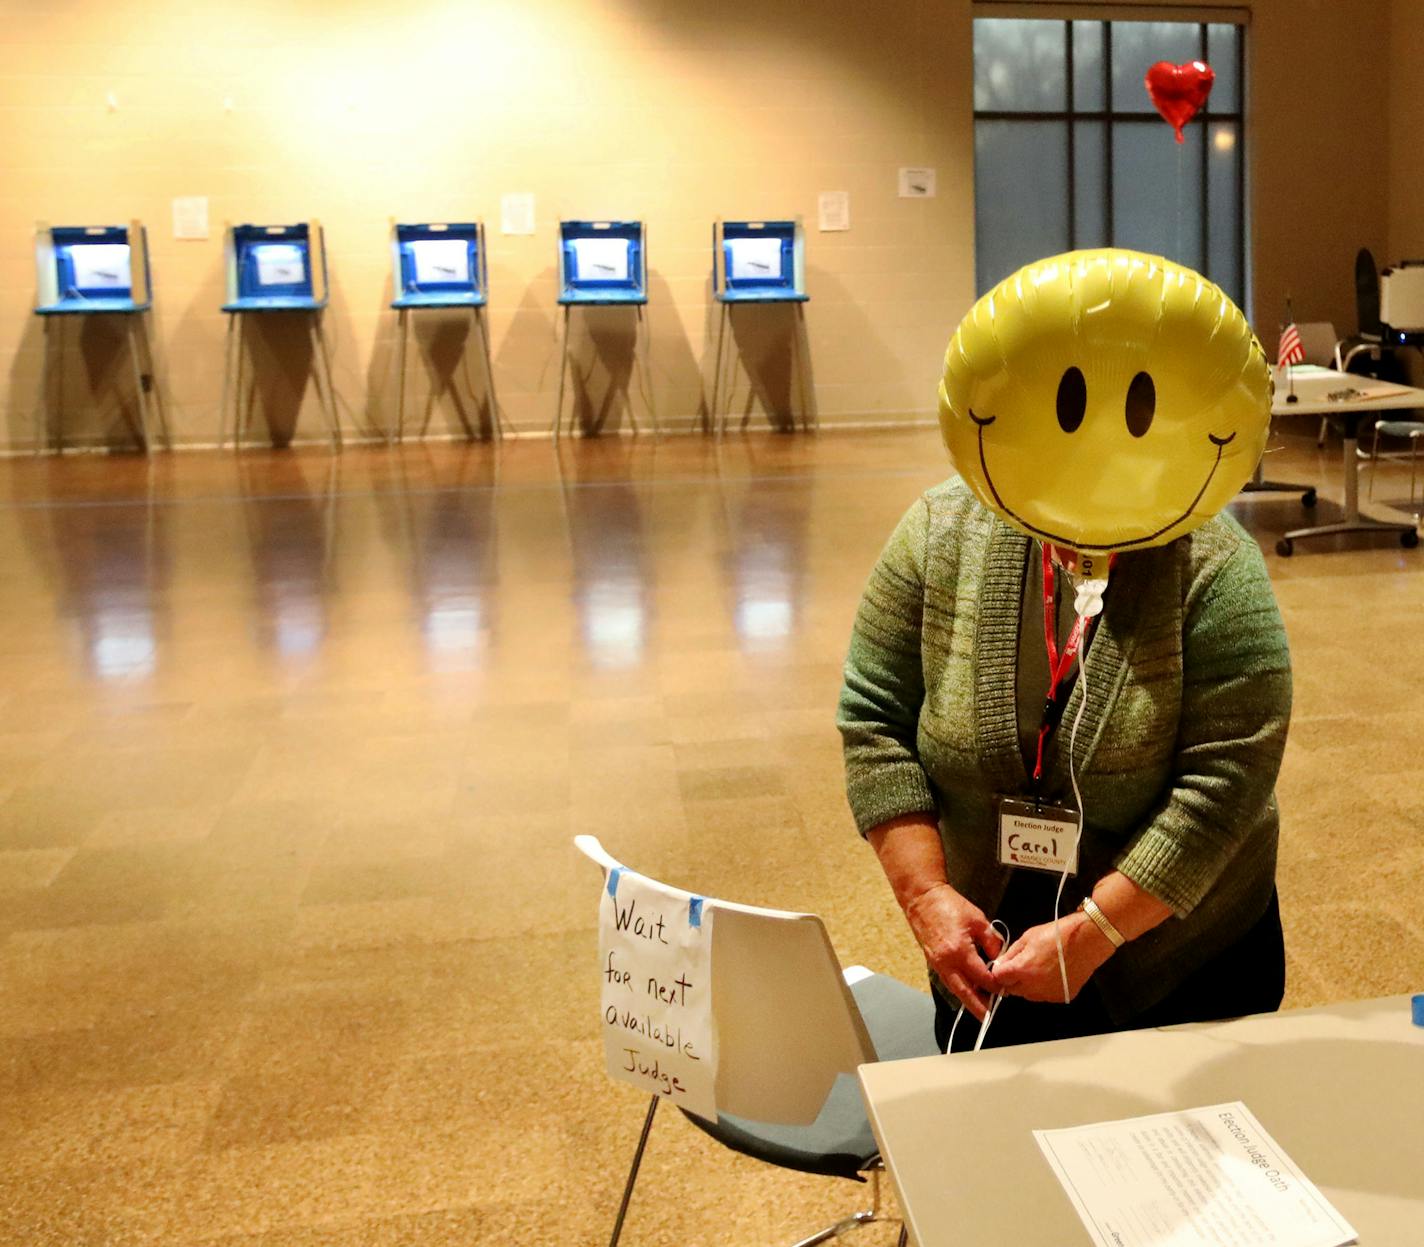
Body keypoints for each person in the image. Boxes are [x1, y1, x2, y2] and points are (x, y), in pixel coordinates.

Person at [837, 249, 1291, 1052]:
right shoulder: (938, 533)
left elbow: (1226, 782)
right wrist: (926, 897)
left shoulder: (1217, 566)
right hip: (990, 951)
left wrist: (1094, 935)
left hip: (1184, 958)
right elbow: (875, 719)